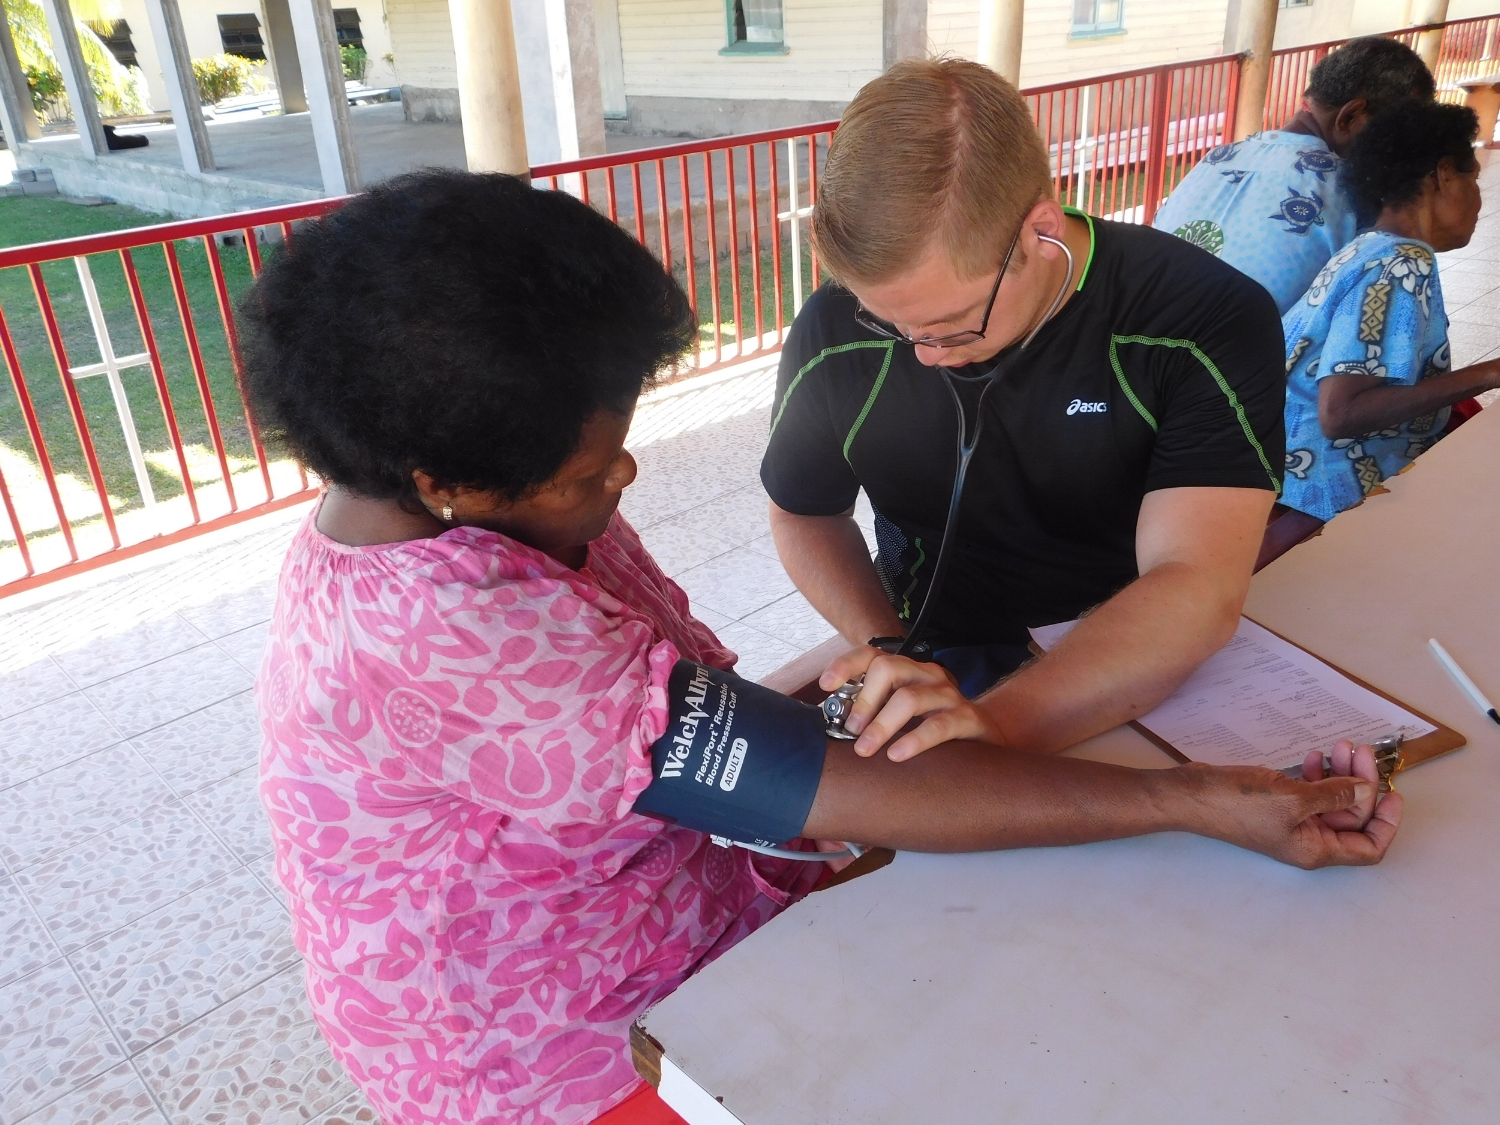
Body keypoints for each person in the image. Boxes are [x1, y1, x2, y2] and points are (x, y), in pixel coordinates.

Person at [243, 170, 1400, 1125]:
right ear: (449, 485)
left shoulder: (456, 507)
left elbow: (682, 722)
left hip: (675, 922)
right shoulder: (462, 635)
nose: (625, 480)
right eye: (592, 472)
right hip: (569, 1053)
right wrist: (1197, 801)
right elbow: (840, 795)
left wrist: (856, 694)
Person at [762, 58, 1288, 763]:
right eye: (887, 321)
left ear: (1041, 231)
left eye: (951, 324)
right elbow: (804, 510)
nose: (921, 353)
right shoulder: (835, 327)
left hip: (1130, 661)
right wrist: (885, 647)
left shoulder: (1200, 318)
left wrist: (998, 727)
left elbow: (1195, 578)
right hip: (934, 648)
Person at [1280, 101, 1500, 523]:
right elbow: (1341, 413)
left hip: (1289, 476)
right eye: (1475, 180)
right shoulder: (1401, 263)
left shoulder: (1367, 248)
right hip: (1324, 496)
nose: (1479, 201)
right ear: (1443, 174)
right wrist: (1490, 373)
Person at [1153, 36, 1434, 313]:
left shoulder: (1218, 157)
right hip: (1252, 355)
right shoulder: (1352, 189)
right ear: (1350, 117)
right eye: (1401, 129)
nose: (1402, 146)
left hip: (1142, 344)